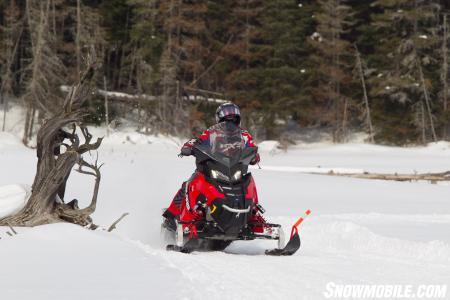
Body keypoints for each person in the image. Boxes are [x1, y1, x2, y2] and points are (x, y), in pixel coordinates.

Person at [163, 102, 263, 228]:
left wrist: (254, 156)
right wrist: (190, 146)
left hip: (235, 170)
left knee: (249, 182)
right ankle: (171, 216)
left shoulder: (244, 135)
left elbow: (251, 148)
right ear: (220, 120)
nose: (230, 123)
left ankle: (254, 215)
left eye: (233, 120)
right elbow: (198, 141)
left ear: (238, 120)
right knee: (189, 184)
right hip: (213, 169)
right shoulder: (211, 133)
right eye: (226, 120)